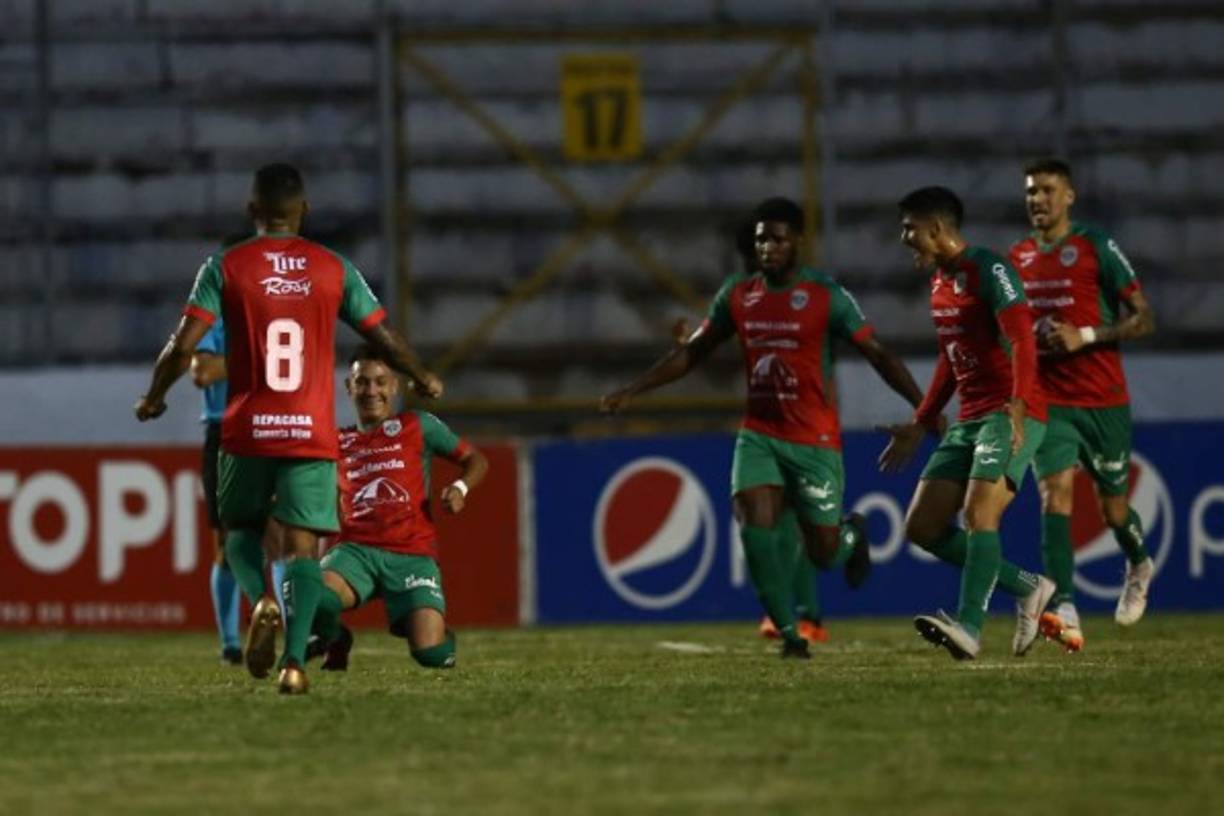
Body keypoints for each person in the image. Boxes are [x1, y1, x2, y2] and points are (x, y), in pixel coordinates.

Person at [135, 162, 443, 695]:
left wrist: (153, 396)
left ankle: (260, 602)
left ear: (252, 210)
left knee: (239, 536)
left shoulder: (225, 265)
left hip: (247, 430)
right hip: (310, 432)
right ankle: (294, 665)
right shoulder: (333, 267)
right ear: (305, 210)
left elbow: (182, 346)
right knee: (302, 549)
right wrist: (421, 375)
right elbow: (383, 335)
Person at [603, 197, 926, 659]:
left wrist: (922, 407)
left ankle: (852, 535)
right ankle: (791, 634)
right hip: (759, 434)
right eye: (760, 240)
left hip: (813, 440)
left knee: (823, 552)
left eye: (777, 239)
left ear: (799, 241)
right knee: (752, 523)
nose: (767, 248)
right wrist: (633, 389)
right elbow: (694, 352)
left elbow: (879, 354)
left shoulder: (826, 296)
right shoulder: (738, 294)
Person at [880, 186, 1056, 661]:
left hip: (1010, 412)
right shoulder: (940, 283)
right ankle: (1028, 587)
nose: (904, 238)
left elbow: (1023, 340)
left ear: (937, 228)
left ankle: (970, 627)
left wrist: (1018, 403)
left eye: (909, 228)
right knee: (922, 527)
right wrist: (921, 421)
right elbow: (950, 358)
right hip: (970, 418)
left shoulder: (989, 269)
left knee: (979, 516)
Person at [1010, 158, 1157, 652]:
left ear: (1069, 196)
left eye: (1047, 190)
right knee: (1054, 495)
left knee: (1114, 512)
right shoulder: (1017, 258)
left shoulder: (1095, 246)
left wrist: (1086, 335)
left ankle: (1139, 563)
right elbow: (1007, 330)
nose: (1038, 199)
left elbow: (1144, 319)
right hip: (1049, 399)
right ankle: (1065, 604)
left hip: (1102, 400)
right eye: (1031, 192)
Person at [305, 346, 487, 672]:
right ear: (349, 387)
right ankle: (336, 639)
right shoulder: (335, 441)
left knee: (431, 656)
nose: (370, 391)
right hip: (355, 552)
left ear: (394, 386)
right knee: (311, 596)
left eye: (379, 382)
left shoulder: (418, 425)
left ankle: (435, 633)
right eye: (362, 382)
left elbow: (476, 459)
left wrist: (460, 488)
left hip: (411, 554)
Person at [191, 319, 242, 665]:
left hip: (275, 428)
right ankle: (231, 643)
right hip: (224, 433)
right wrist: (257, 359)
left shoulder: (277, 311)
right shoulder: (213, 320)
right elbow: (203, 372)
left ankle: (296, 634)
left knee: (285, 536)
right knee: (228, 541)